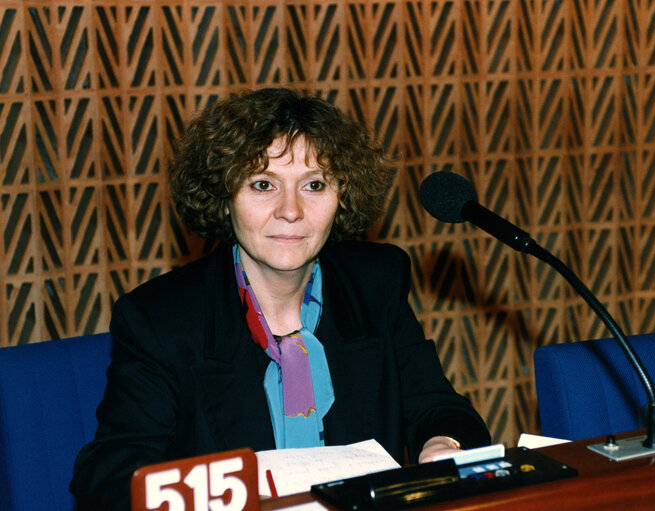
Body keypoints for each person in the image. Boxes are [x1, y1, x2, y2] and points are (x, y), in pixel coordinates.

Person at [70, 87, 491, 509]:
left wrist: (444, 444)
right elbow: (111, 476)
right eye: (262, 184)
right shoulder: (161, 319)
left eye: (313, 184)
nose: (290, 210)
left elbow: (440, 410)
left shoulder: (374, 285)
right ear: (224, 196)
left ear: (341, 195)